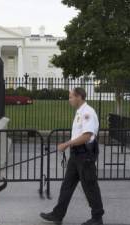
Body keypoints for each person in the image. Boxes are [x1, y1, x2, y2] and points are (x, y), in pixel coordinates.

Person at [40, 87, 105, 225]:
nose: (69, 99)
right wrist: (70, 146)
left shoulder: (88, 112)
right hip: (76, 155)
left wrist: (66, 144)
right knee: (67, 186)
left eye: (71, 97)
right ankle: (58, 214)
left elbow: (87, 136)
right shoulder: (79, 112)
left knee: (90, 186)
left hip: (85, 155)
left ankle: (97, 218)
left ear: (79, 97)